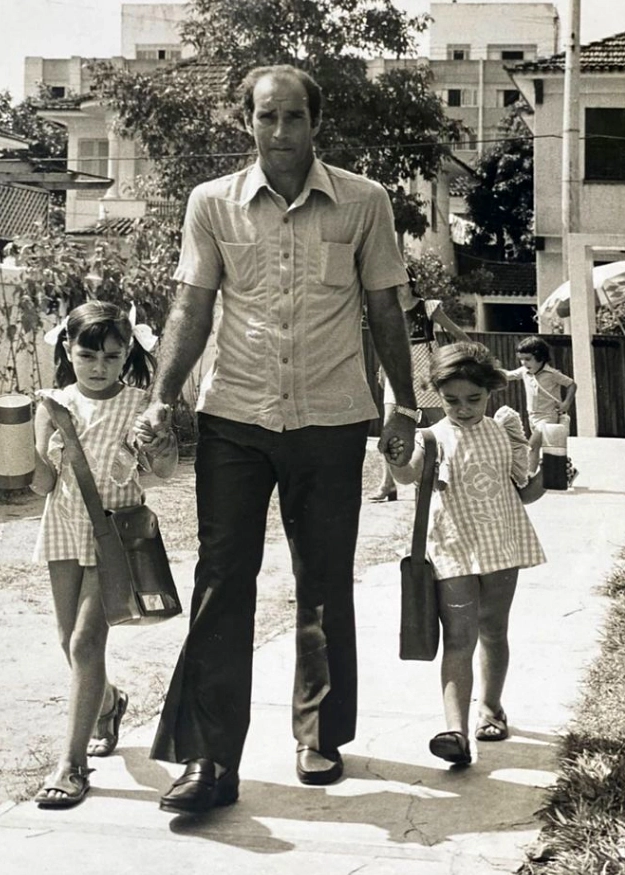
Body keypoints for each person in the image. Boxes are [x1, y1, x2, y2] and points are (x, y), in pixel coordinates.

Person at [135, 63, 417, 814]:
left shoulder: (365, 202)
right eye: (267, 118)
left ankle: (318, 734)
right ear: (248, 122)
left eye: (294, 118)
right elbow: (192, 307)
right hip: (235, 417)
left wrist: (404, 404)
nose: (281, 132)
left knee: (323, 583)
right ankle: (207, 758)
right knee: (223, 583)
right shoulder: (212, 205)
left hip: (331, 418)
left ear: (314, 122)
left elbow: (386, 310)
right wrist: (164, 396)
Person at [31, 301, 178, 808]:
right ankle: (110, 702)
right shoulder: (50, 404)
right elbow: (41, 484)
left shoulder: (140, 403)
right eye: (88, 355)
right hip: (64, 528)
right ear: (67, 350)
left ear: (126, 355)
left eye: (112, 356)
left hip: (115, 534)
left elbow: (165, 471)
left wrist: (160, 445)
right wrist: (30, 454)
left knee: (85, 641)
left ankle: (71, 765)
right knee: (68, 642)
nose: (99, 366)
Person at [389, 342, 546, 766]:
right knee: (459, 638)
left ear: (491, 392)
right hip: (453, 549)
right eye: (452, 400)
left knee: (493, 630)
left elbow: (526, 492)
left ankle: (491, 711)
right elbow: (406, 477)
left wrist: (548, 472)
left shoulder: (503, 430)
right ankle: (455, 732)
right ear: (438, 395)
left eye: (473, 399)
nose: (462, 408)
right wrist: (394, 456)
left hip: (501, 545)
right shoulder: (431, 438)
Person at [370, 268, 471, 502]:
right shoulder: (388, 310)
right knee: (389, 426)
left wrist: (474, 356)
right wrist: (381, 367)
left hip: (427, 373)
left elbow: (456, 332)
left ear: (410, 283)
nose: (397, 288)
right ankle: (388, 484)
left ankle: (455, 475)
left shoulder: (428, 307)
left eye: (401, 283)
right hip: (397, 372)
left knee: (442, 422)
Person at [503, 336, 578, 484]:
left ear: (540, 357)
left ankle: (529, 478)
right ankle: (568, 472)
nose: (524, 363)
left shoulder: (552, 374)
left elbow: (571, 384)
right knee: (544, 448)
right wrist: (491, 368)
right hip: (533, 417)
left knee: (532, 445)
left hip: (549, 416)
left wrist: (566, 403)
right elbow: (507, 375)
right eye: (521, 359)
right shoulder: (524, 371)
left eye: (528, 359)